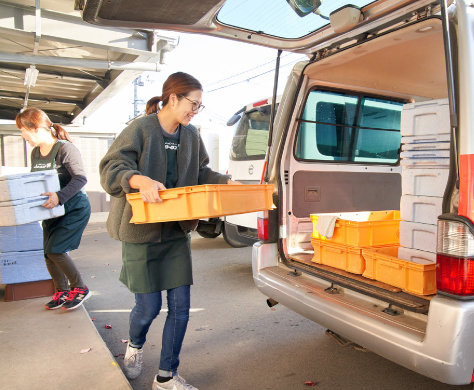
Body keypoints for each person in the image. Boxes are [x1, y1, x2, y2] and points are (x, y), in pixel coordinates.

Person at [99, 72, 239, 390]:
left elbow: (201, 170)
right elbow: (112, 166)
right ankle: (134, 346)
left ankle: (166, 376)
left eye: (200, 106)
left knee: (180, 308)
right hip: (141, 232)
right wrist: (139, 180)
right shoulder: (140, 128)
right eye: (194, 103)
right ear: (173, 98)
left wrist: (224, 181)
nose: (196, 111)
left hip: (176, 232)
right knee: (147, 307)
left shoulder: (190, 135)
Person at [16, 108, 91, 311]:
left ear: (38, 128)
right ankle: (62, 291)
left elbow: (81, 178)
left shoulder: (65, 149)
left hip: (74, 208)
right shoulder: (35, 153)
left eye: (23, 130)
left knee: (55, 250)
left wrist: (59, 196)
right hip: (51, 211)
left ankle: (80, 288)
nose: (23, 136)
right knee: (47, 254)